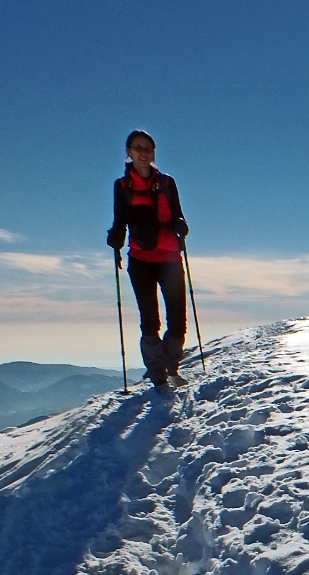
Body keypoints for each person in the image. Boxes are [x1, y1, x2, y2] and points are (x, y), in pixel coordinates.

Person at [106, 130, 190, 390]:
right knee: (150, 319)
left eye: (148, 148)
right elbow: (120, 220)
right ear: (128, 152)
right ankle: (158, 375)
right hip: (140, 259)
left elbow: (177, 213)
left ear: (153, 153)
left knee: (178, 320)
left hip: (169, 257)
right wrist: (116, 236)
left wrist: (181, 225)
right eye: (137, 148)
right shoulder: (122, 186)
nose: (143, 152)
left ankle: (170, 366)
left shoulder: (167, 182)